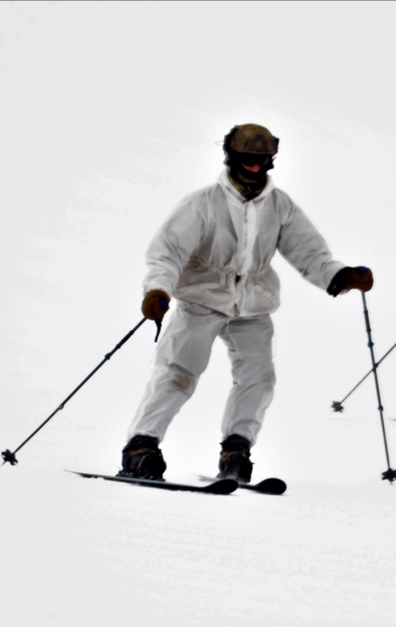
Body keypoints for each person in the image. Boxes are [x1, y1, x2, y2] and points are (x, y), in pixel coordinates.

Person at [118, 123, 374, 483]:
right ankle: (140, 448)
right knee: (178, 372)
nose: (254, 166)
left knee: (258, 378)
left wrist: (339, 275)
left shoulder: (280, 205)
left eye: (261, 159)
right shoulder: (202, 203)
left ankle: (236, 450)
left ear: (271, 160)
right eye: (246, 159)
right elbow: (167, 254)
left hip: (253, 305)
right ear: (230, 157)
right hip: (201, 299)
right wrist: (157, 290)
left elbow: (309, 252)